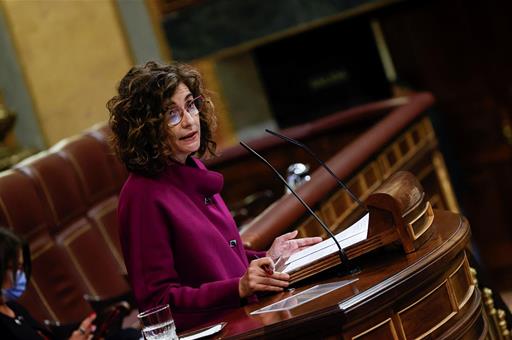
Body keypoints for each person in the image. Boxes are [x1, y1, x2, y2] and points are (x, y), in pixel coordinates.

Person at [107, 61, 322, 331]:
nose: (189, 120)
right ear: (146, 127)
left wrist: (267, 257)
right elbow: (157, 306)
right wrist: (238, 288)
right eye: (171, 114)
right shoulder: (141, 196)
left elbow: (214, 265)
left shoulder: (190, 168)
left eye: (190, 105)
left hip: (247, 323)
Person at [0, 227, 96, 339]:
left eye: (22, 267)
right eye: (16, 267)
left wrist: (83, 329)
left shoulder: (14, 307)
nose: (21, 274)